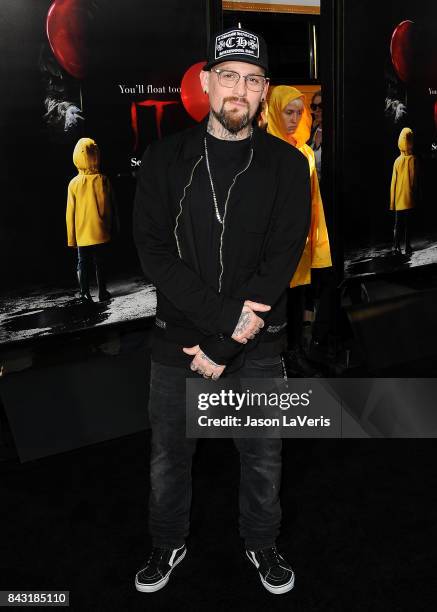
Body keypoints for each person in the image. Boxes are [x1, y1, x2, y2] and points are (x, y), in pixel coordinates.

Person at [132, 27, 311, 595]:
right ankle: (168, 543)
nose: (240, 88)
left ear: (264, 91)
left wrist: (227, 345)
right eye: (229, 75)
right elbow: (154, 254)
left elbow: (280, 262)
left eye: (253, 79)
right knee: (168, 461)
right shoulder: (163, 158)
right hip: (178, 343)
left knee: (262, 460)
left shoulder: (288, 165)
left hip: (256, 347)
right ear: (207, 81)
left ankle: (261, 544)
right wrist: (217, 328)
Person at [267, 86, 332, 374]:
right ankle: (275, 359)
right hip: (270, 248)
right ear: (274, 111)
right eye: (287, 112)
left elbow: (314, 201)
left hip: (300, 243)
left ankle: (293, 353)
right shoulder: (262, 151)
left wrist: (317, 246)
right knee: (271, 305)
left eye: (299, 112)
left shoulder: (305, 151)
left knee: (295, 302)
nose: (294, 118)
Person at [66, 137, 117, 302]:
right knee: (100, 262)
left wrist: (71, 238)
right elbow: (108, 208)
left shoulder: (73, 184)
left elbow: (70, 213)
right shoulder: (103, 180)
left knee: (82, 262)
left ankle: (84, 293)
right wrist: (108, 227)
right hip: (100, 230)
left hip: (81, 233)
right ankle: (102, 292)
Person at [390, 127, 418, 256]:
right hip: (409, 199)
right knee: (408, 225)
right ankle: (407, 247)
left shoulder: (396, 161)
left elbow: (393, 183)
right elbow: (413, 180)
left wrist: (392, 202)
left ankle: (395, 246)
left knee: (397, 225)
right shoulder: (413, 159)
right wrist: (415, 194)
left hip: (398, 199)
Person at [308, 90, 322, 184]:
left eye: (321, 106)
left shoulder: (336, 133)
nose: (317, 110)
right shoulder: (310, 131)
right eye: (314, 106)